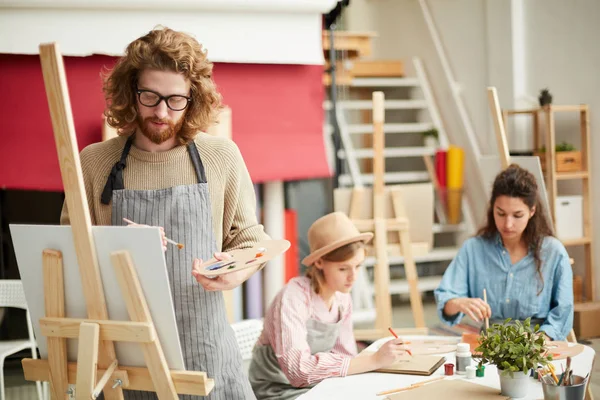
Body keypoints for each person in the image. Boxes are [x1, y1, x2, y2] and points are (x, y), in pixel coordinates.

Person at [60, 27, 269, 399]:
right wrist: (122, 246)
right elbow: (66, 256)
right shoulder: (96, 162)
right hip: (125, 357)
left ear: (194, 99)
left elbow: (251, 241)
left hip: (205, 352)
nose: (160, 112)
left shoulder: (220, 157)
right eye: (150, 96)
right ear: (130, 92)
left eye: (175, 101)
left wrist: (233, 270)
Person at [248, 212, 408, 399]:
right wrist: (373, 360)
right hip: (278, 390)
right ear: (319, 261)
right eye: (343, 268)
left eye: (358, 266)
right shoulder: (293, 299)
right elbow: (298, 372)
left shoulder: (342, 298)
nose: (353, 277)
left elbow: (346, 357)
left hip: (320, 387)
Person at [434, 164, 573, 341]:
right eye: (500, 213)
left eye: (517, 215)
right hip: (487, 345)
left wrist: (538, 341)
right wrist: (457, 303)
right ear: (492, 209)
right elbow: (445, 300)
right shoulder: (473, 249)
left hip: (538, 346)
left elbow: (563, 313)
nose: (507, 224)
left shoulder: (553, 252)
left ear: (532, 211)